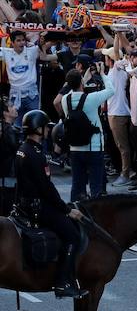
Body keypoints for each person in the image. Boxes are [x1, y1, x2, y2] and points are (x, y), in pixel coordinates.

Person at [14, 110, 86, 298]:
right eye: (45, 127)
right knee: (73, 236)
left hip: (24, 204)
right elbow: (46, 188)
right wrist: (67, 210)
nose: (47, 130)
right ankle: (62, 282)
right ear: (39, 129)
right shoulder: (36, 154)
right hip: (39, 207)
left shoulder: (22, 149)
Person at [63, 66, 115, 201]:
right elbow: (111, 90)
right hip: (93, 147)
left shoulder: (65, 100)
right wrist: (102, 73)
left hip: (75, 148)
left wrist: (83, 77)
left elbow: (74, 88)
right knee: (96, 186)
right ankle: (95, 213)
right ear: (81, 83)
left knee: (77, 185)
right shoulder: (91, 99)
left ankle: (75, 212)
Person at [0, 97, 20, 215]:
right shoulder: (8, 131)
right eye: (11, 106)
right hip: (8, 176)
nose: (15, 108)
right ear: (5, 112)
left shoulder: (7, 129)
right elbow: (16, 149)